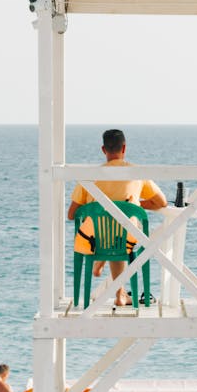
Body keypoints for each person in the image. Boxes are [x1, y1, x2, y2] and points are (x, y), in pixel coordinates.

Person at [67, 128, 167, 307]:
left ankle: (110, 275)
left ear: (103, 150)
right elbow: (161, 202)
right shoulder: (136, 173)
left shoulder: (89, 177)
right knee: (119, 231)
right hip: (127, 235)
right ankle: (120, 293)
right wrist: (133, 205)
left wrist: (102, 208)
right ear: (124, 148)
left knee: (108, 231)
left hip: (93, 239)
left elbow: (71, 214)